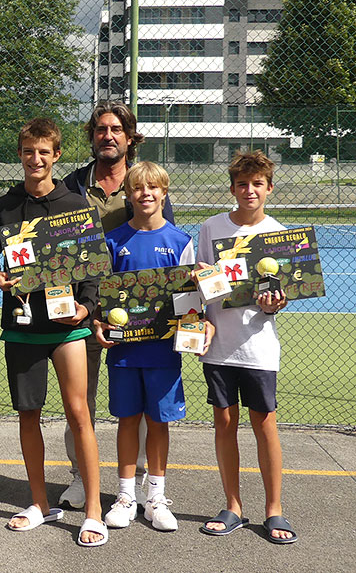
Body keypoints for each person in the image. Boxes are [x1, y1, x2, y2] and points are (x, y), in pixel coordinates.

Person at [0, 118, 106, 547]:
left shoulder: (77, 204)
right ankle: (39, 502)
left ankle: (94, 510)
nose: (35, 159)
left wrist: (86, 307)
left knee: (79, 412)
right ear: (20, 155)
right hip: (21, 328)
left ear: (56, 156)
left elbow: (94, 267)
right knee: (28, 415)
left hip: (67, 328)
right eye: (28, 151)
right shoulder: (0, 209)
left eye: (44, 152)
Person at [60, 101, 175, 509]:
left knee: (141, 405)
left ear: (129, 136)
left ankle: (142, 481)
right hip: (82, 311)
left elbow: (167, 255)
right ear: (92, 136)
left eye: (116, 129)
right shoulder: (71, 186)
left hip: (138, 319)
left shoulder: (146, 184)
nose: (107, 136)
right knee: (80, 401)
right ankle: (80, 476)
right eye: (100, 129)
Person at [92, 161, 205, 532]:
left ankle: (155, 496)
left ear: (164, 193)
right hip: (124, 351)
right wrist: (99, 322)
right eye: (138, 188)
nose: (146, 194)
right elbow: (102, 299)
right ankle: (125, 495)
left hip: (163, 353)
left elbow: (191, 305)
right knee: (127, 420)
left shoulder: (181, 243)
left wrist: (194, 331)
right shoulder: (113, 242)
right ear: (127, 194)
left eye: (153, 188)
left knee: (158, 422)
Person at [196, 151, 295, 544]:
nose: (249, 190)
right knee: (224, 423)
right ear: (233, 188)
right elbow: (197, 282)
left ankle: (275, 510)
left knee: (264, 424)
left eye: (257, 184)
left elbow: (284, 295)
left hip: (258, 348)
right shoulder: (211, 228)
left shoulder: (279, 234)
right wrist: (200, 315)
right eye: (242, 184)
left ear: (269, 188)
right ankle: (233, 505)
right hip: (218, 346)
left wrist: (278, 301)